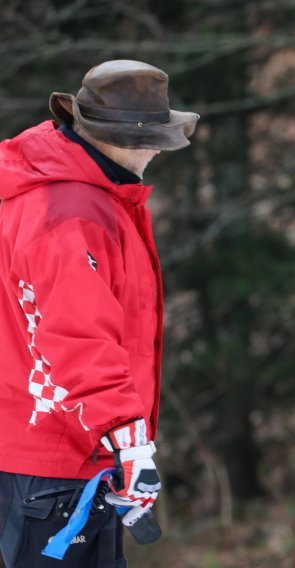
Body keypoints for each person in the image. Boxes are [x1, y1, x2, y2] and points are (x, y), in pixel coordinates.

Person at [0, 59, 198, 567]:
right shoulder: (71, 211)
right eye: (155, 136)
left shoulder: (73, 193)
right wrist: (130, 443)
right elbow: (77, 336)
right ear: (119, 139)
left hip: (60, 449)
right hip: (55, 457)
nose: (159, 148)